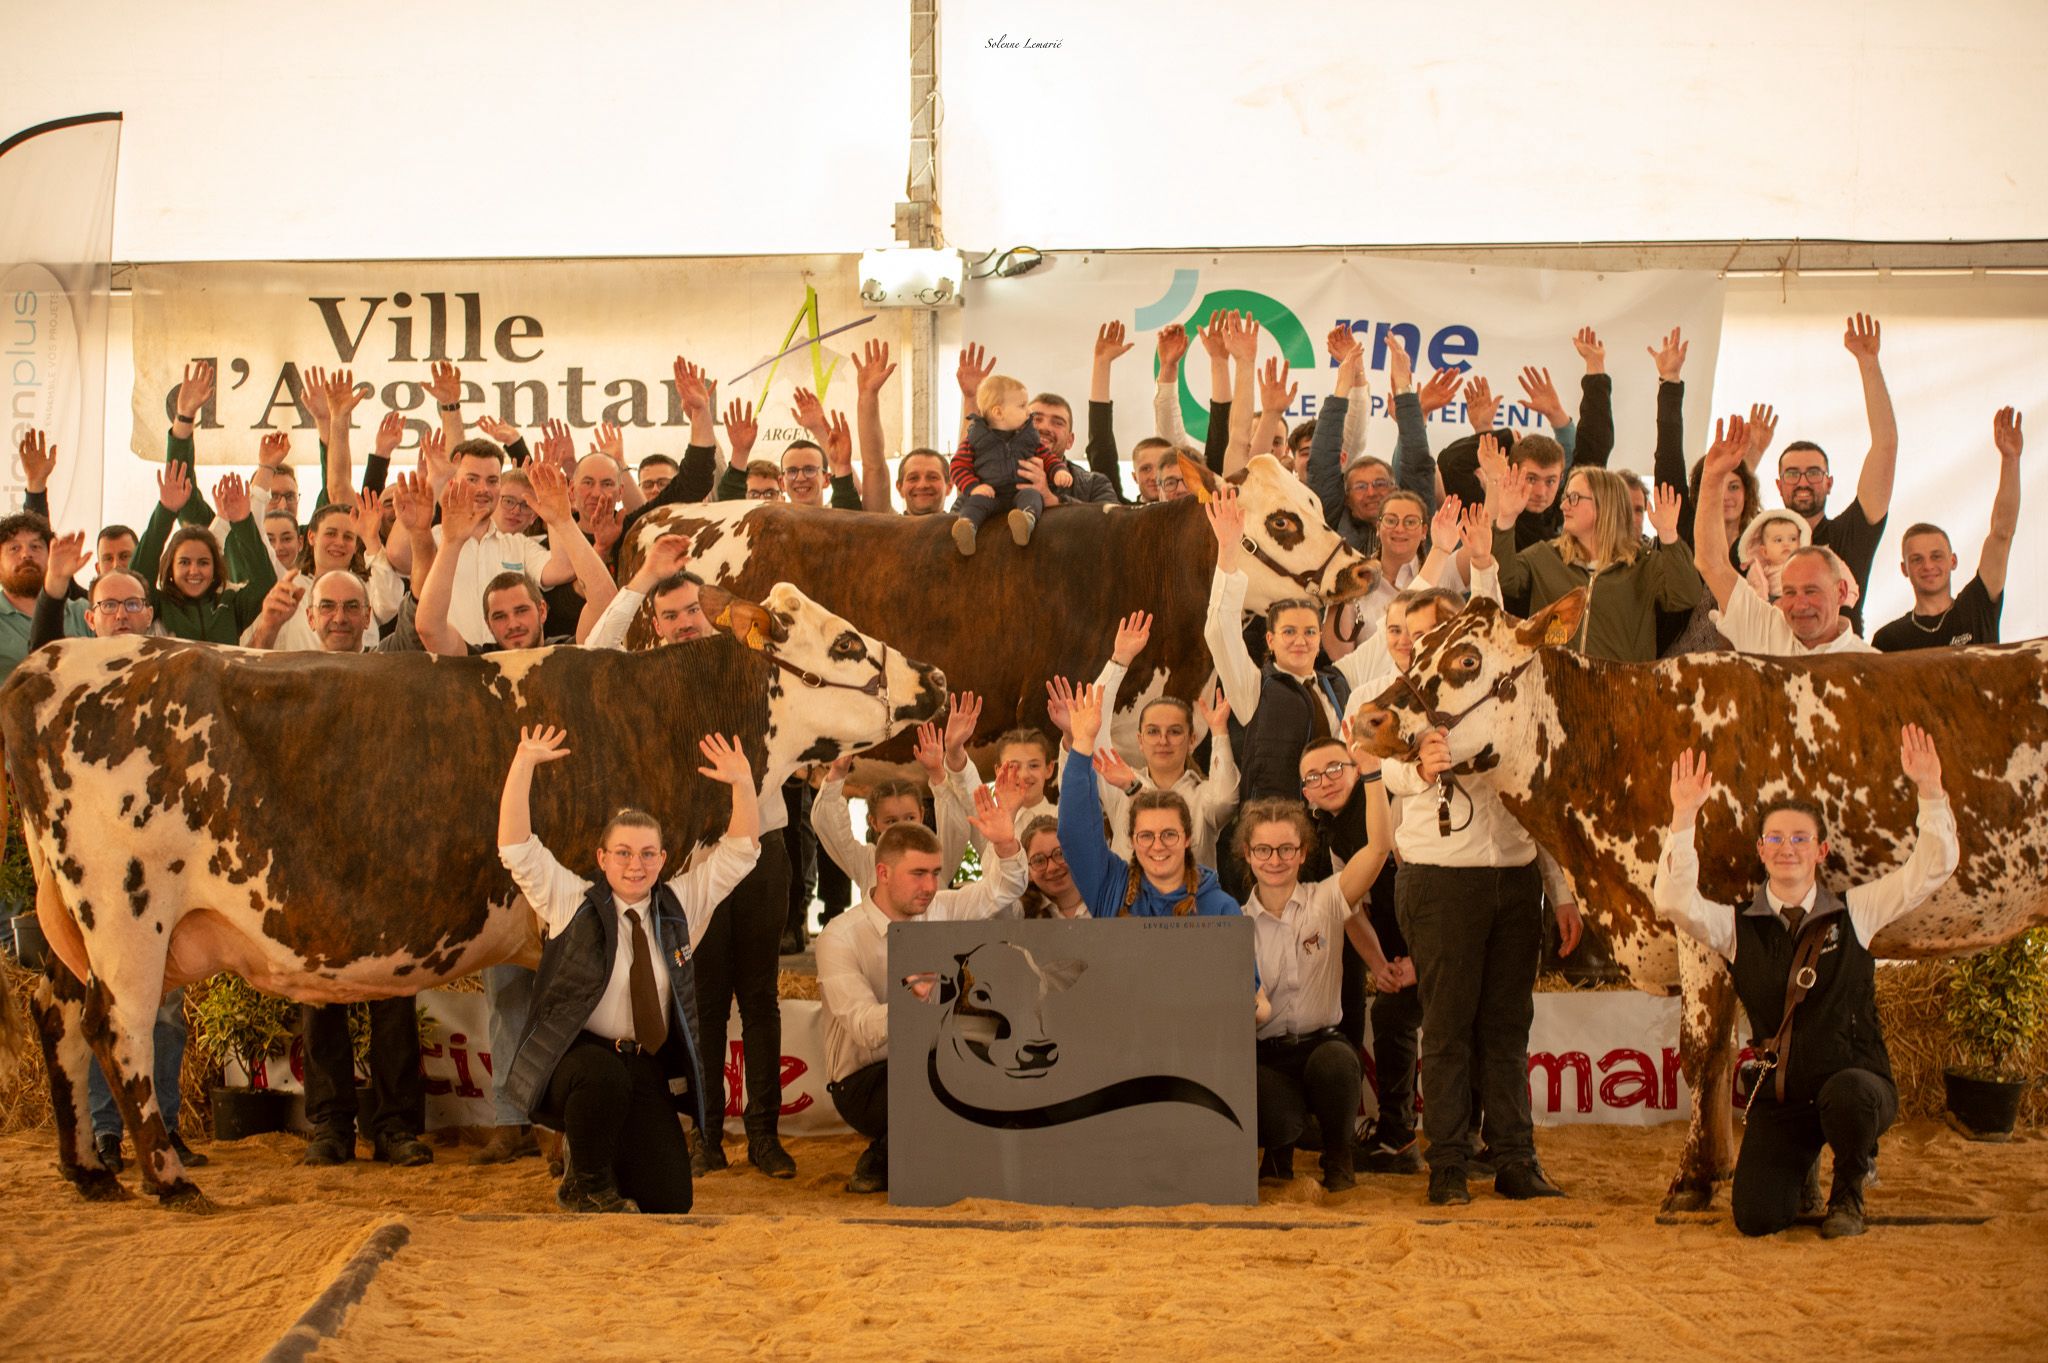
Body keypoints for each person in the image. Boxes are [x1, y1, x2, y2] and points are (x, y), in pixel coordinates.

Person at [1654, 727, 1956, 1238]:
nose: (1786, 848)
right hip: (1785, 1098)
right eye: (1775, 838)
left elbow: (1930, 869)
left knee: (1850, 1098)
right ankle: (1803, 1168)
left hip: (1857, 1085)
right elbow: (1674, 901)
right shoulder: (1738, 927)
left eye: (1799, 839)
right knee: (1756, 1218)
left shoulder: (1855, 912)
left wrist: (1931, 790)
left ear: (1820, 851)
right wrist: (1684, 817)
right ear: (1761, 849)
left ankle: (1849, 1195)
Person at [495, 724, 762, 1213]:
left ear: (662, 860)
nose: (634, 865)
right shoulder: (571, 900)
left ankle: (603, 1157)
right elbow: (516, 847)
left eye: (646, 854)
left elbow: (741, 852)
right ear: (602, 858)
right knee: (602, 1077)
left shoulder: (680, 904)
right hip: (575, 1063)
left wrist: (743, 783)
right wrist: (523, 763)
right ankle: (585, 1184)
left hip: (641, 1064)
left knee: (671, 1201)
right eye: (622, 853)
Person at [816, 790, 1030, 1194]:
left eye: (935, 872)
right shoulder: (839, 936)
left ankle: (903, 1152)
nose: (931, 886)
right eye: (918, 874)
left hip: (937, 1061)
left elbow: (1004, 890)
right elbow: (863, 1029)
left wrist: (1005, 844)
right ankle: (888, 1147)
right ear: (881, 873)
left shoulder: (944, 908)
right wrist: (913, 999)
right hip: (864, 1082)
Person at [1239, 784, 1392, 1192]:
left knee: (1339, 1065)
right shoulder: (1234, 923)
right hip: (1266, 1057)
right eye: (1264, 850)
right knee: (1266, 1099)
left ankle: (1339, 1153)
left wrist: (1374, 777)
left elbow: (1378, 848)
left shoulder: (1326, 898)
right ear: (1248, 855)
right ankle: (1278, 1149)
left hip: (1324, 1046)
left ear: (1303, 853)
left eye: (1286, 849)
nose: (1275, 860)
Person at [1487, 440, 1703, 661]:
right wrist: (1506, 519)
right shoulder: (1544, 556)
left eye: (1574, 498)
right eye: (1565, 497)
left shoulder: (1645, 564)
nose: (1563, 506)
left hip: (1619, 692)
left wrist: (1669, 535)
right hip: (1554, 688)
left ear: (1605, 503)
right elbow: (1502, 581)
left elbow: (1686, 596)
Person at [1694, 417, 1877, 657]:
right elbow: (1711, 563)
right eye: (1789, 592)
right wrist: (1712, 477)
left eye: (1811, 591)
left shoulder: (1869, 664)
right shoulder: (1765, 630)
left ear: (1841, 592)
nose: (1799, 605)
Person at [1058, 683, 1243, 918]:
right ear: (1132, 840)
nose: (1158, 845)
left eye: (1169, 834)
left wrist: (1219, 732)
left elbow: (1224, 800)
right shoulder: (1112, 892)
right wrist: (1081, 741)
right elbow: (1076, 828)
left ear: (1187, 838)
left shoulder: (1218, 906)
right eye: (1145, 835)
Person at [1075, 609, 1239, 868]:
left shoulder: (1203, 796)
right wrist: (1118, 662)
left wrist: (1219, 731)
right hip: (1128, 907)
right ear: (1140, 740)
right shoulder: (1119, 779)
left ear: (1192, 739)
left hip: (1192, 907)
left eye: (1175, 731)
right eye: (1153, 731)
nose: (1163, 740)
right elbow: (1091, 723)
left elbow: (1225, 800)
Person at [1767, 313, 1898, 631]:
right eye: (1792, 474)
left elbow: (1885, 445)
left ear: (1829, 483)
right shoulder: (1763, 541)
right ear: (1778, 486)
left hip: (1841, 668)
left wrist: (1868, 362)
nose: (1802, 482)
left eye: (1813, 473)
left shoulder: (1851, 534)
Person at [1873, 407, 2021, 652]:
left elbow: (2002, 533)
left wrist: (2010, 460)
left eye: (1936, 556)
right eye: (1917, 559)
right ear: (1904, 569)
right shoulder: (1889, 639)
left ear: (1953, 560)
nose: (1928, 566)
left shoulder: (1977, 606)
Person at [130, 467, 278, 644]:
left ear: (216, 567)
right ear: (170, 567)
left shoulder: (231, 605)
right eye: (184, 562)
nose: (194, 570)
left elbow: (265, 582)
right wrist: (166, 511)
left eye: (203, 562)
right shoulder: (158, 606)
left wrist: (243, 522)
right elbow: (136, 579)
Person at [950, 372, 1072, 554]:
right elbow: (958, 466)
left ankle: (1025, 521)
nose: (1029, 411)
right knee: (974, 504)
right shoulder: (975, 439)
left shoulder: (1030, 437)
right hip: (990, 494)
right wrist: (973, 487)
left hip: (1020, 492)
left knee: (1033, 496)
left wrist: (1059, 471)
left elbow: (1048, 458)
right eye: (1022, 406)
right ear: (998, 412)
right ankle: (967, 528)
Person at [0, 513, 89, 675]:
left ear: (51, 556)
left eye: (35, 546)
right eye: (14, 548)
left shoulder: (83, 612)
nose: (26, 554)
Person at [1017, 816, 1088, 919]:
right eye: (1039, 860)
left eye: (1060, 854)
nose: (1052, 868)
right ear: (1028, 872)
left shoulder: (1111, 902)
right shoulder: (1019, 915)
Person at [1736, 509, 1811, 602]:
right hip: (1771, 603)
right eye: (1778, 540)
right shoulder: (1760, 571)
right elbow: (1753, 593)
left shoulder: (1808, 566)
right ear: (1764, 552)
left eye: (1793, 539)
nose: (1786, 544)